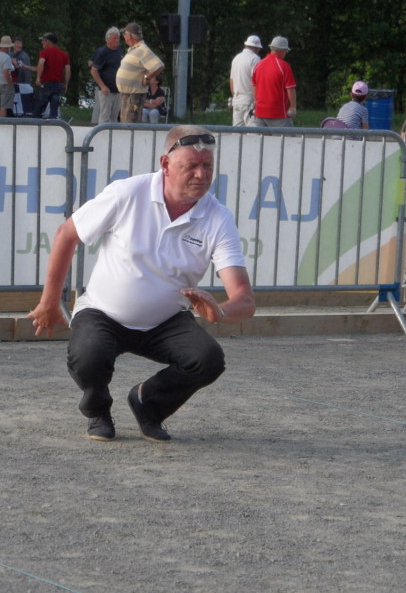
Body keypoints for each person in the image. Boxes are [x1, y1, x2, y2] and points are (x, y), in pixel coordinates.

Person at [28, 125, 256, 442]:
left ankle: (148, 403)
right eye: (191, 166)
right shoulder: (127, 193)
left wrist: (221, 312)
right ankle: (97, 410)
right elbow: (67, 234)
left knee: (208, 359)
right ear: (165, 164)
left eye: (208, 167)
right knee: (88, 357)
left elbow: (244, 299)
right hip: (102, 313)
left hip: (166, 321)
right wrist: (51, 301)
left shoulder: (218, 217)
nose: (201, 175)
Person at [116, 23, 164, 124]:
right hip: (127, 94)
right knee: (125, 123)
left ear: (129, 36)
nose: (124, 37)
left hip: (134, 95)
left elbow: (159, 65)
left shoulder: (143, 49)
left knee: (130, 124)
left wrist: (147, 78)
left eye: (124, 34)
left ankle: (131, 140)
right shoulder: (135, 49)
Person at [249, 36, 297, 127]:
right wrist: (293, 107)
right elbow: (290, 89)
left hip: (260, 113)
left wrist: (256, 103)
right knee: (287, 140)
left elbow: (254, 86)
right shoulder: (284, 66)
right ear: (282, 50)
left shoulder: (259, 65)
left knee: (263, 141)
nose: (286, 53)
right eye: (286, 51)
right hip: (278, 113)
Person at [89, 26, 123, 124]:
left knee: (115, 116)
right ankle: (103, 135)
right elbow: (93, 70)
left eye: (118, 38)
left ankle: (113, 136)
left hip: (118, 89)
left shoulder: (119, 51)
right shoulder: (103, 52)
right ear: (108, 39)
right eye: (114, 38)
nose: (117, 40)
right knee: (105, 115)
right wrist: (102, 86)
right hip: (107, 90)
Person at [35, 32, 71, 120]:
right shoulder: (64, 54)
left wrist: (38, 78)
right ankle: (53, 125)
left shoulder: (44, 52)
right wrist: (66, 84)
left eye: (43, 41)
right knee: (54, 107)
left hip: (46, 84)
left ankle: (35, 125)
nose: (42, 43)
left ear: (47, 41)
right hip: (57, 85)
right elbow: (68, 71)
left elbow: (41, 64)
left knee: (39, 106)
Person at [229, 35, 262, 126]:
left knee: (237, 132)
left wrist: (235, 95)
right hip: (249, 100)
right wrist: (257, 100)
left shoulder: (236, 58)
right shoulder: (255, 59)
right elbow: (256, 81)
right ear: (256, 48)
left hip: (237, 99)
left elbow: (231, 80)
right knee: (252, 133)